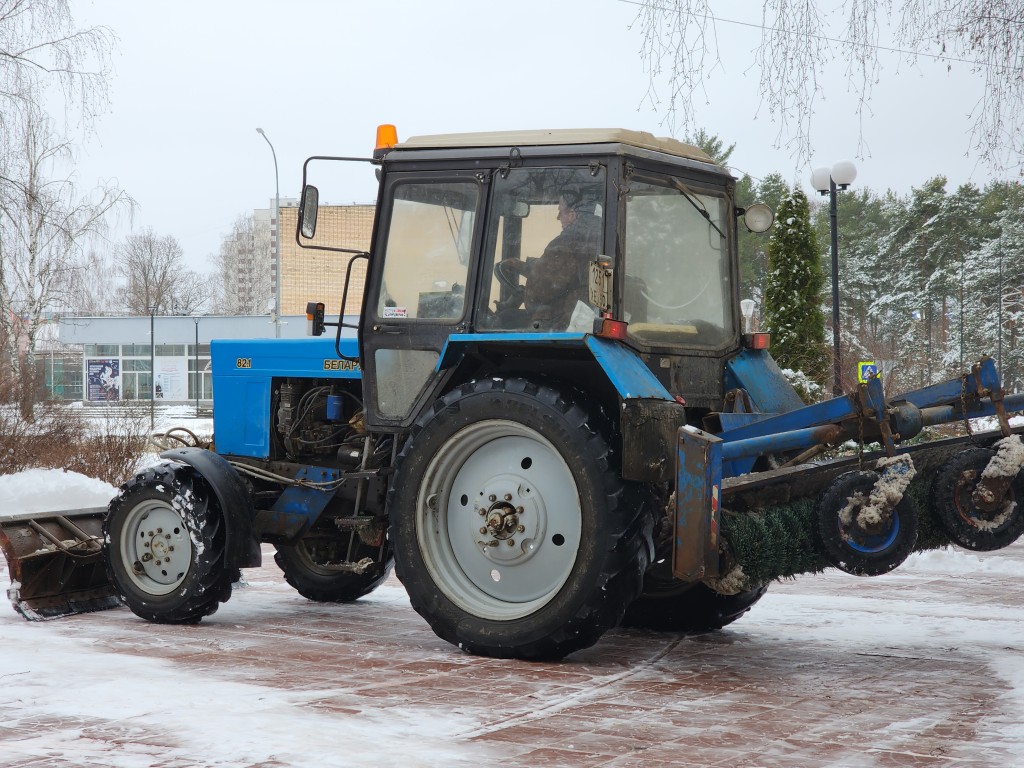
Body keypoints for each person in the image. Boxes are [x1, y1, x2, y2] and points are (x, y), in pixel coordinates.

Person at [500, 190, 602, 329]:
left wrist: (527, 289)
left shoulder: (566, 244)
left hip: (560, 321)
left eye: (560, 211)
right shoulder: (598, 239)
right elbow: (563, 273)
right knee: (509, 316)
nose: (558, 217)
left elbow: (544, 289)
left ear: (572, 215)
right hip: (579, 315)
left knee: (502, 320)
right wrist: (522, 266)